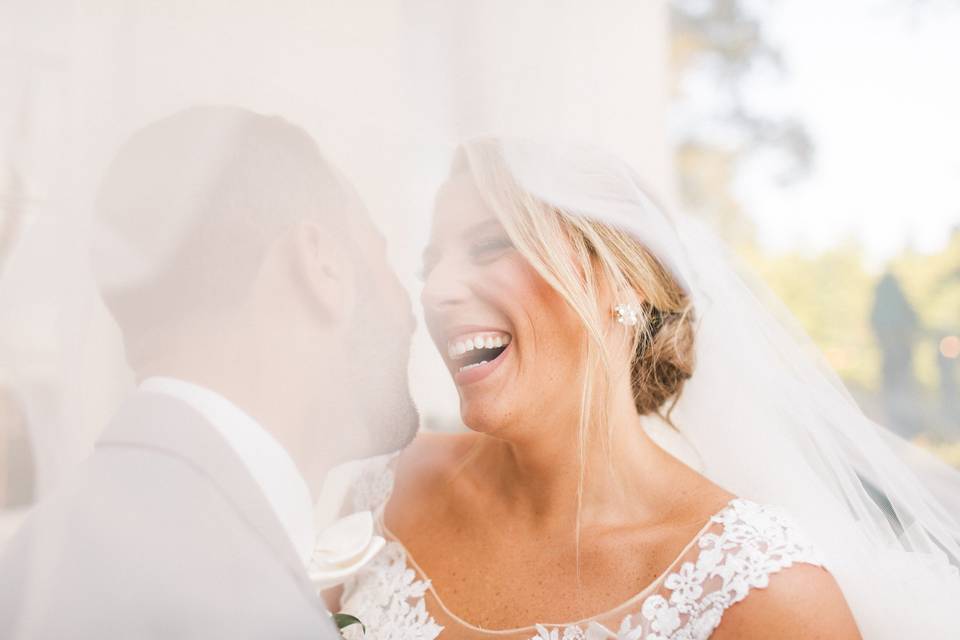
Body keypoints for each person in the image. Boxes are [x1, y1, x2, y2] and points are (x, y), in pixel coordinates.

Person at [337, 138, 960, 639]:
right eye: (431, 264)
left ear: (624, 279)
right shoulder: (386, 487)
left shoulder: (759, 594)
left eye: (492, 244)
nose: (435, 291)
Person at [0, 106, 419, 639]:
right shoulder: (247, 610)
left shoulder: (39, 551)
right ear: (321, 267)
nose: (410, 308)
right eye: (382, 256)